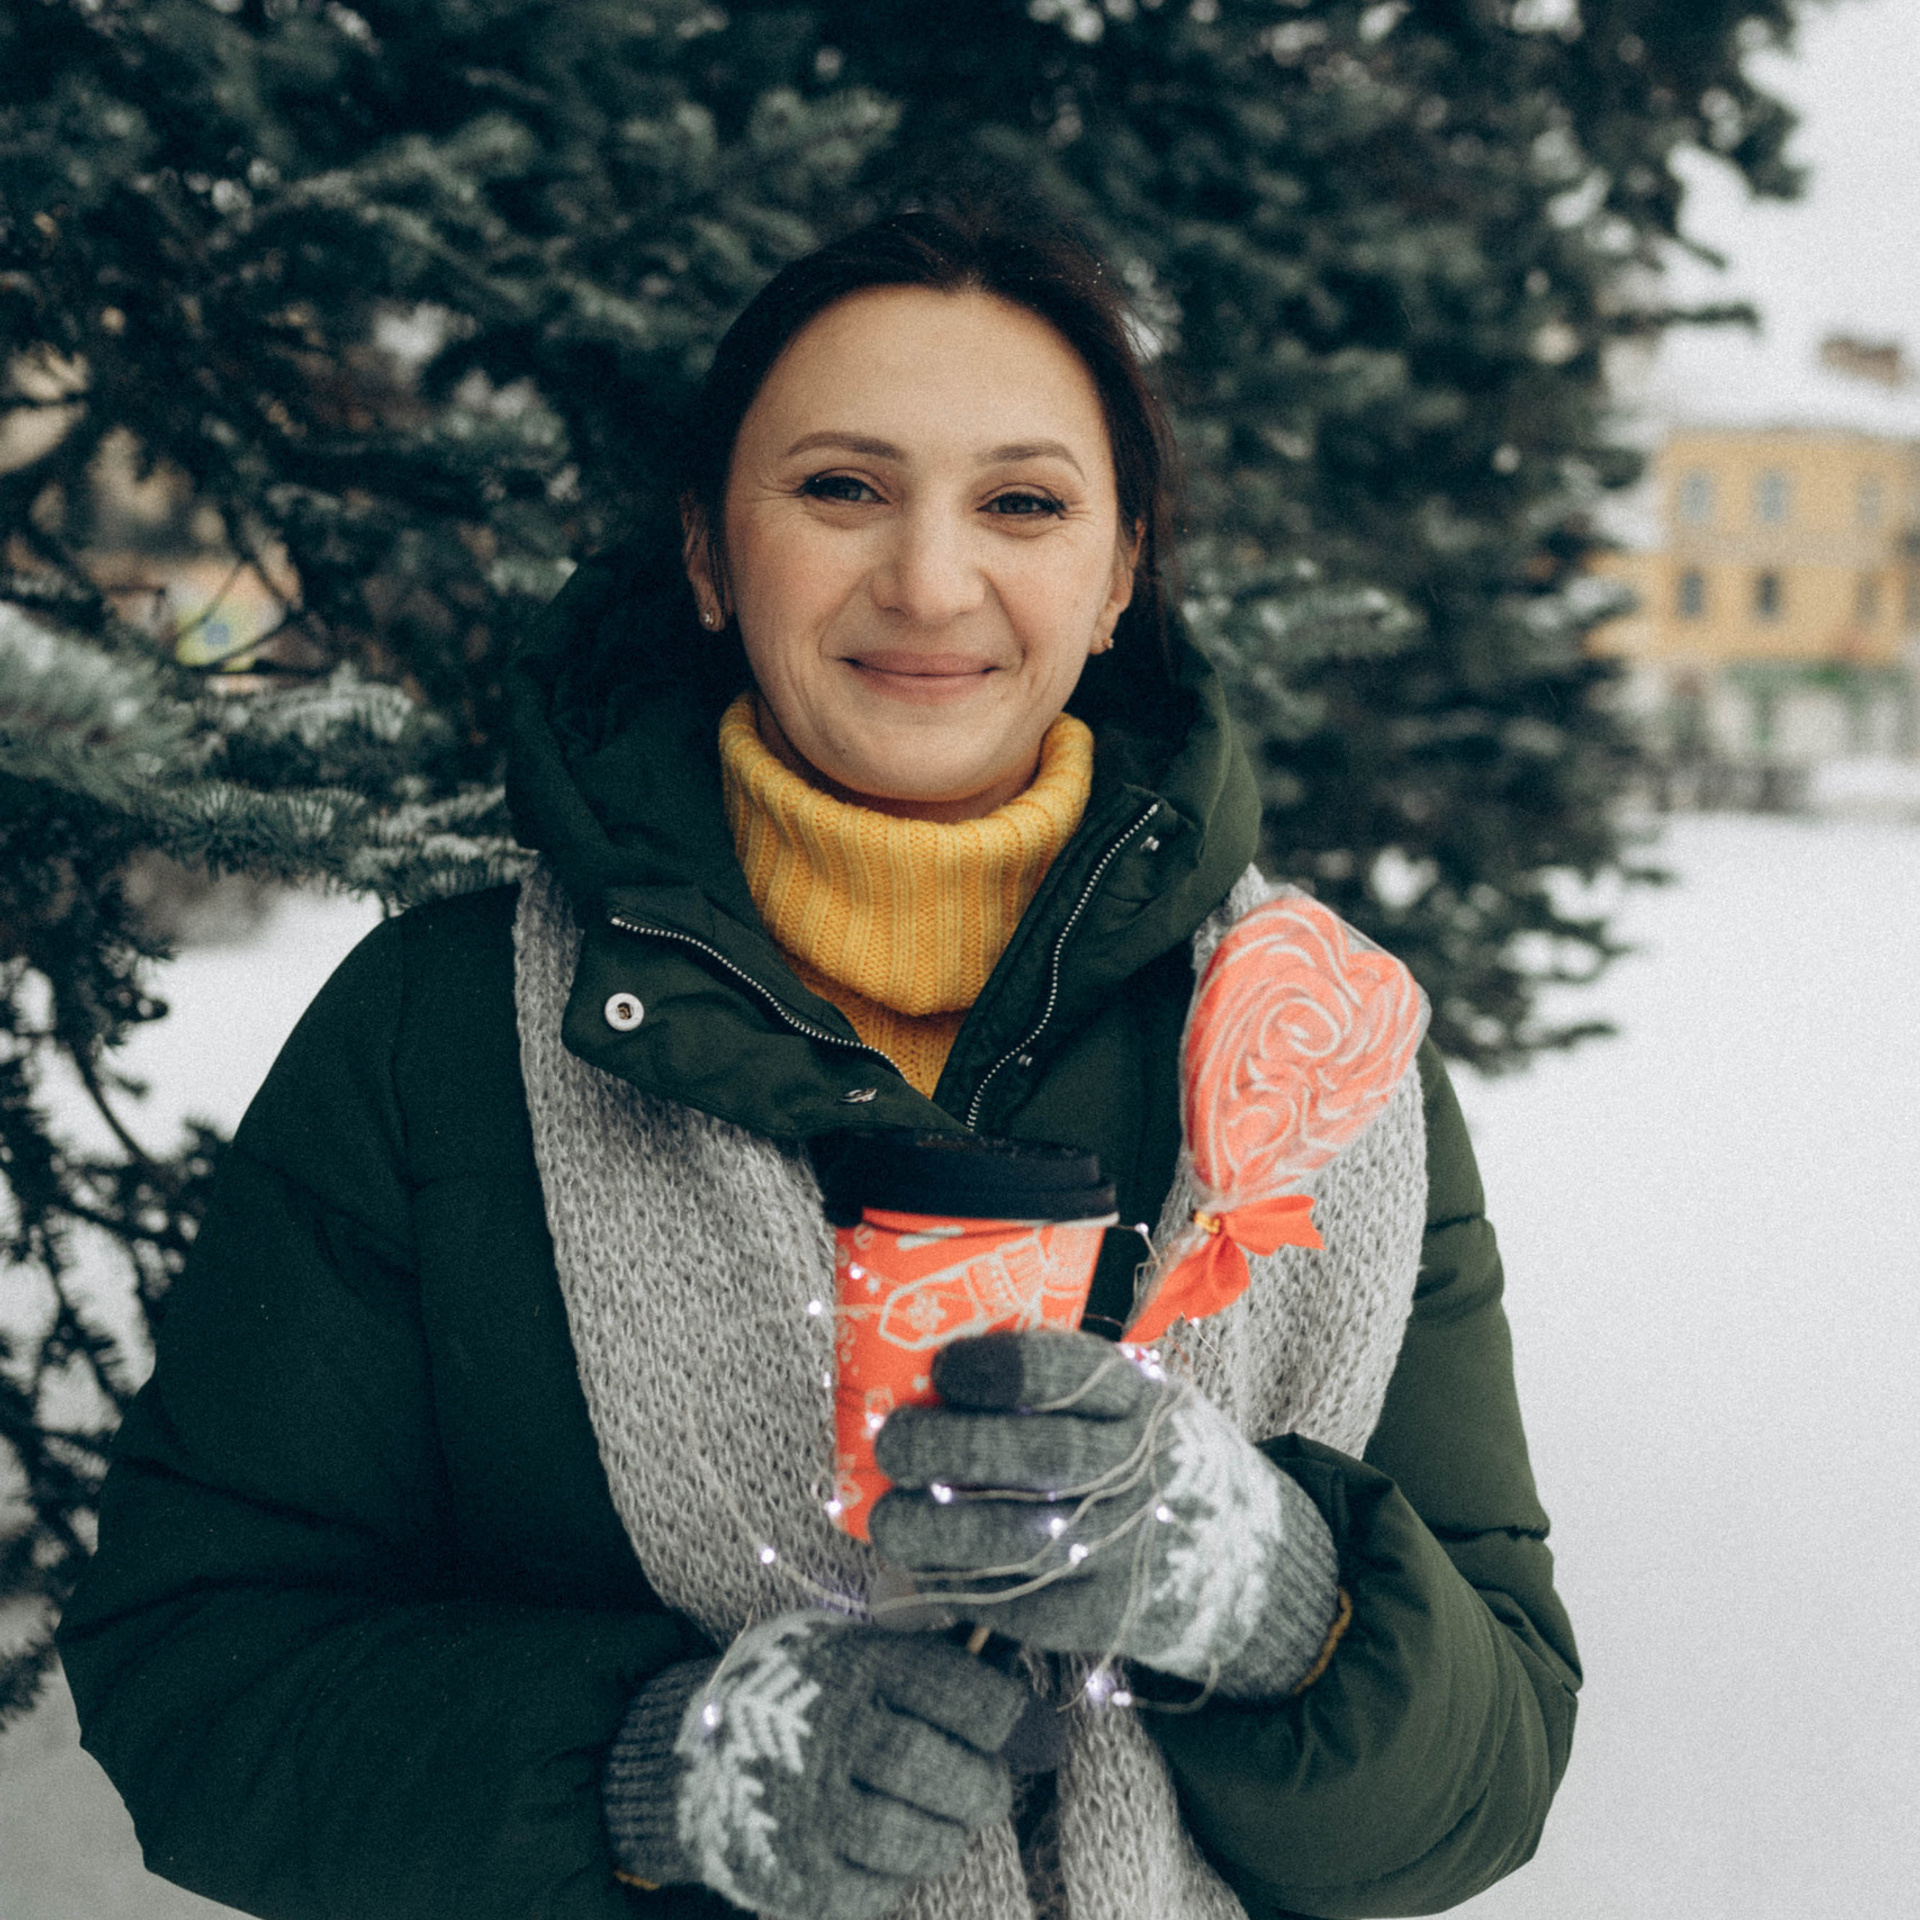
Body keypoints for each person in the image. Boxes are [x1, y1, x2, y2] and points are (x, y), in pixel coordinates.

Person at [59, 206, 1579, 1920]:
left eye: (1023, 503)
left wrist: (1276, 1601)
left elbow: (1492, 1777)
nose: (930, 581)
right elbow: (196, 1677)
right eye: (842, 487)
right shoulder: (443, 1032)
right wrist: (656, 1772)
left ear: (1118, 576)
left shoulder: (1311, 1057)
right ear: (711, 554)